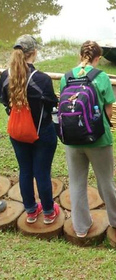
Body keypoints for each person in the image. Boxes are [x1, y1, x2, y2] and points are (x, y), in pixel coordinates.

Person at [61, 40, 116, 238]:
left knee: (76, 181)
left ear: (81, 55)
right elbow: (108, 109)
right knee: (105, 180)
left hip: (72, 138)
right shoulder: (101, 77)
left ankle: (81, 227)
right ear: (97, 58)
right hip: (98, 138)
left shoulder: (66, 77)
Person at [0, 35, 59, 224]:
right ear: (33, 53)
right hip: (42, 133)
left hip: (17, 133)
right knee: (42, 172)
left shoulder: (4, 76)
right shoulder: (41, 79)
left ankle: (31, 212)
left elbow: (3, 100)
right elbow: (51, 103)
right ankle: (49, 213)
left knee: (25, 170)